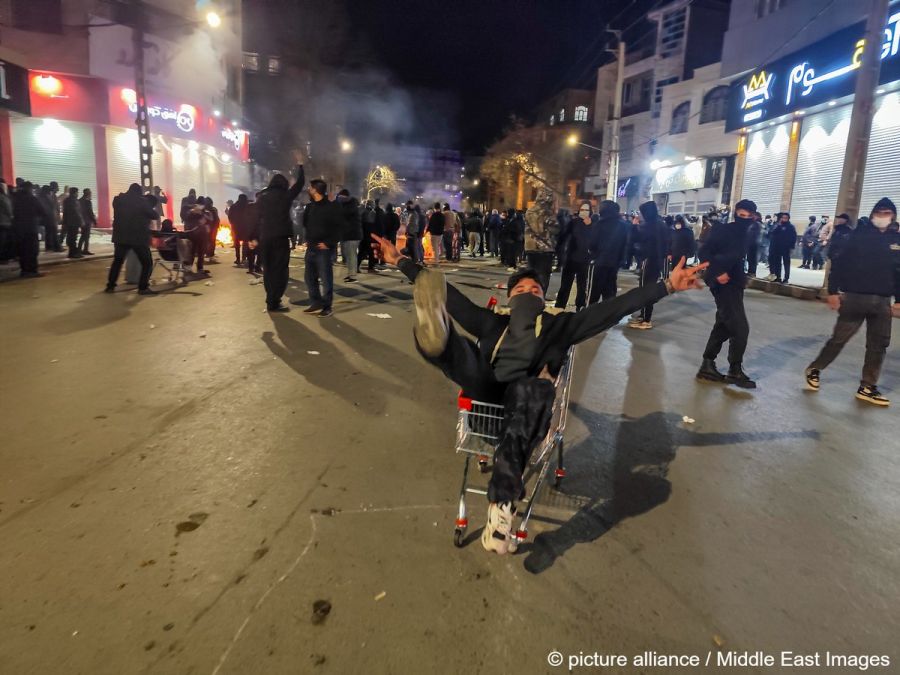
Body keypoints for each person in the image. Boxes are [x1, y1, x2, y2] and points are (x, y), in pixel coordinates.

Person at [370, 232, 708, 554]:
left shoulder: (561, 326)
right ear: (510, 296)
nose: (530, 291)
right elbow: (451, 298)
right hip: (487, 401)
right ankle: (438, 339)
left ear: (543, 299)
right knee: (468, 359)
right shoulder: (493, 322)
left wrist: (666, 286)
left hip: (526, 411)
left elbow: (611, 310)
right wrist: (401, 260)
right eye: (522, 288)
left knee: (535, 389)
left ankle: (501, 508)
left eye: (536, 289)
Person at [805, 198, 899, 406]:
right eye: (879, 212)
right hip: (856, 297)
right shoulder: (859, 236)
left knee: (879, 345)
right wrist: (832, 291)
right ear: (873, 214)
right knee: (839, 339)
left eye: (887, 212)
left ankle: (867, 386)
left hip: (883, 300)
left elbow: (898, 272)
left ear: (893, 216)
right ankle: (815, 368)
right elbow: (839, 262)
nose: (883, 216)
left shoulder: (896, 240)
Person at [695, 199, 758, 388]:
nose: (744, 219)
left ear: (753, 216)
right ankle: (735, 370)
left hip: (736, 284)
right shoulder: (724, 230)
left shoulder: (748, 233)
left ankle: (707, 364)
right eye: (741, 215)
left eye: (748, 216)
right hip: (722, 284)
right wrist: (717, 271)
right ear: (735, 214)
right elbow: (704, 252)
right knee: (740, 328)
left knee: (723, 324)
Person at [253, 164, 304, 312]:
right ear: (284, 184)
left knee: (268, 269)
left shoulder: (261, 196)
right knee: (280, 269)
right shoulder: (285, 195)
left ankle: (270, 300)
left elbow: (255, 218)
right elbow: (299, 185)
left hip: (265, 237)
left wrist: (253, 237)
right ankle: (275, 300)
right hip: (280, 237)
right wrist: (300, 167)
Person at [296, 179, 342, 317]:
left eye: (310, 187)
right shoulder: (310, 207)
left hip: (323, 249)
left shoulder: (331, 207)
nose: (308, 189)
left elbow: (339, 228)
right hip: (311, 247)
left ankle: (327, 306)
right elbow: (305, 223)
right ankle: (316, 302)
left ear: (315, 189)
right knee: (309, 278)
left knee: (326, 278)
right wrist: (307, 239)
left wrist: (329, 243)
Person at [105, 183, 158, 294]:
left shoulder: (118, 200)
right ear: (139, 192)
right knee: (147, 263)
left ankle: (110, 286)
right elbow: (154, 215)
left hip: (120, 237)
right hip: (138, 238)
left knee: (117, 262)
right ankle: (143, 287)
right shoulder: (142, 202)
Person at [628, 201, 667, 330]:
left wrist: (634, 226)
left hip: (649, 261)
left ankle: (646, 319)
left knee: (645, 289)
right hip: (657, 261)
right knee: (647, 288)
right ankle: (644, 315)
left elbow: (635, 238)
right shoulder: (661, 224)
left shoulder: (649, 226)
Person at [555, 201, 597, 310]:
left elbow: (595, 241)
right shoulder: (573, 222)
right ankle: (559, 306)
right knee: (565, 285)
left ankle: (580, 305)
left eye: (586, 210)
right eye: (582, 209)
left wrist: (590, 226)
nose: (584, 212)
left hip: (584, 259)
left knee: (582, 285)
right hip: (571, 258)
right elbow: (563, 236)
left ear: (590, 211)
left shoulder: (594, 224)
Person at [590, 200, 629, 302]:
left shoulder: (600, 224)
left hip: (599, 262)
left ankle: (590, 315)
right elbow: (625, 245)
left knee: (594, 293)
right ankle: (608, 315)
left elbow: (592, 244)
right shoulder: (623, 225)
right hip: (614, 263)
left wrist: (594, 255)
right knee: (610, 293)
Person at [523, 189, 557, 292]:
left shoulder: (530, 210)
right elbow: (553, 230)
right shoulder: (547, 212)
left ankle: (529, 297)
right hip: (544, 249)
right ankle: (538, 299)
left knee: (532, 275)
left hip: (530, 247)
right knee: (543, 277)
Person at [11, 181, 42, 277]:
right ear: (29, 188)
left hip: (18, 229)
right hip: (31, 229)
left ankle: (24, 270)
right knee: (32, 251)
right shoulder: (32, 199)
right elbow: (42, 211)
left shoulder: (15, 199)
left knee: (22, 251)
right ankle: (32, 271)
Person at [337, 188, 362, 283]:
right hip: (349, 235)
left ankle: (353, 276)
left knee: (351, 256)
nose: (338, 198)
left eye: (340, 197)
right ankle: (350, 274)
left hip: (352, 235)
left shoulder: (351, 205)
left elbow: (344, 215)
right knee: (349, 256)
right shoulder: (348, 204)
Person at [767, 212, 797, 283]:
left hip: (786, 248)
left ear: (788, 218)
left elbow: (793, 237)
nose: (784, 219)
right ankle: (778, 277)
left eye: (786, 218)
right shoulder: (778, 225)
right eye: (783, 218)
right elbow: (772, 233)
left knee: (786, 263)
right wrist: (778, 225)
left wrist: (792, 247)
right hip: (777, 247)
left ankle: (786, 278)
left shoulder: (791, 227)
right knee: (777, 262)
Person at [61, 187, 84, 259]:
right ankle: (73, 253)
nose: (78, 194)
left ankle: (72, 253)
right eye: (77, 192)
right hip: (74, 222)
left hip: (68, 222)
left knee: (71, 238)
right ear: (75, 193)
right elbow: (77, 212)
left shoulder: (66, 200)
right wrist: (81, 221)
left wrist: (64, 222)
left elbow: (65, 212)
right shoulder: (74, 201)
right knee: (73, 238)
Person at [229, 194, 251, 266]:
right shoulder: (248, 206)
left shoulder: (233, 206)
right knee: (245, 243)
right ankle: (244, 258)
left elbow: (230, 216)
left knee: (237, 244)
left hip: (236, 227)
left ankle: (238, 259)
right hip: (246, 227)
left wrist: (232, 224)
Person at [78, 189, 97, 255]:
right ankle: (83, 250)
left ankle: (81, 249)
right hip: (87, 221)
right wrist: (94, 221)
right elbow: (90, 212)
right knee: (86, 236)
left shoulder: (79, 200)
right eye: (90, 193)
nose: (91, 194)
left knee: (83, 236)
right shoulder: (88, 202)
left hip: (81, 221)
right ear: (88, 193)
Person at [745, 212, 762, 276]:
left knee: (753, 258)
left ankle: (753, 272)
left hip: (755, 243)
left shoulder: (758, 224)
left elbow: (757, 234)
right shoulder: (752, 223)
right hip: (750, 243)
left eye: (754, 216)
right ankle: (750, 271)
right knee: (749, 258)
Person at [0, 180, 13, 263]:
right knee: (3, 241)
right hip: (4, 222)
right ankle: (3, 258)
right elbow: (9, 210)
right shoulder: (3, 197)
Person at [204, 197, 221, 262]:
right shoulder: (213, 209)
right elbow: (217, 219)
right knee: (211, 242)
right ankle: (210, 254)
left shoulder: (206, 210)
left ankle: (209, 254)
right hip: (212, 228)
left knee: (208, 242)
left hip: (209, 229)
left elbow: (216, 219)